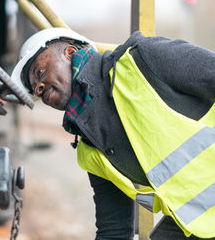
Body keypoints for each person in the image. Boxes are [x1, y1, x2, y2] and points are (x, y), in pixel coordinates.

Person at [11, 28, 215, 240]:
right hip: (203, 219)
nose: (40, 88)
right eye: (37, 90)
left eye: (40, 72)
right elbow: (114, 230)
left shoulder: (144, 59)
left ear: (70, 52)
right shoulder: (91, 149)